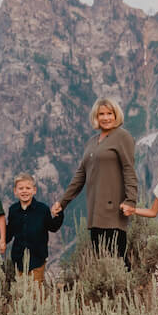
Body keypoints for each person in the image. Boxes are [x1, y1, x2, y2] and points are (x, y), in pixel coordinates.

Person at [52, 97, 138, 267]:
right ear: (96, 117)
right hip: (95, 210)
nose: (106, 118)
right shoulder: (91, 142)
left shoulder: (122, 137)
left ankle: (127, 285)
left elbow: (129, 170)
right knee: (100, 262)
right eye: (101, 114)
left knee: (119, 260)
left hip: (114, 209)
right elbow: (80, 176)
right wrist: (62, 203)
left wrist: (131, 200)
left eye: (109, 113)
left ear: (116, 115)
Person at [4, 174, 63, 284]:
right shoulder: (13, 210)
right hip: (19, 258)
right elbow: (10, 232)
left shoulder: (42, 209)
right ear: (15, 191)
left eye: (28, 188)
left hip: (37, 258)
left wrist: (59, 214)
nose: (24, 191)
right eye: (21, 188)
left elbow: (53, 227)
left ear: (34, 190)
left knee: (35, 289)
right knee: (21, 288)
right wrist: (0, 238)